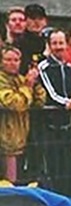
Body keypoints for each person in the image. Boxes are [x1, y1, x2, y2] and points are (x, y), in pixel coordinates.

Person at [38, 30, 71, 198]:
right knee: (53, 167)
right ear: (49, 46)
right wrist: (67, 102)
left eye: (61, 43)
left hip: (70, 125)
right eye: (55, 43)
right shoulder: (44, 67)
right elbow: (51, 93)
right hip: (51, 126)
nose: (58, 47)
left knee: (69, 167)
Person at [0, 45, 45, 183]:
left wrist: (35, 84)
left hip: (23, 138)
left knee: (24, 180)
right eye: (8, 60)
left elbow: (40, 101)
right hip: (7, 141)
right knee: (9, 182)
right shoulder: (2, 80)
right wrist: (27, 87)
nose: (12, 63)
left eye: (16, 60)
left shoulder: (21, 78)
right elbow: (15, 103)